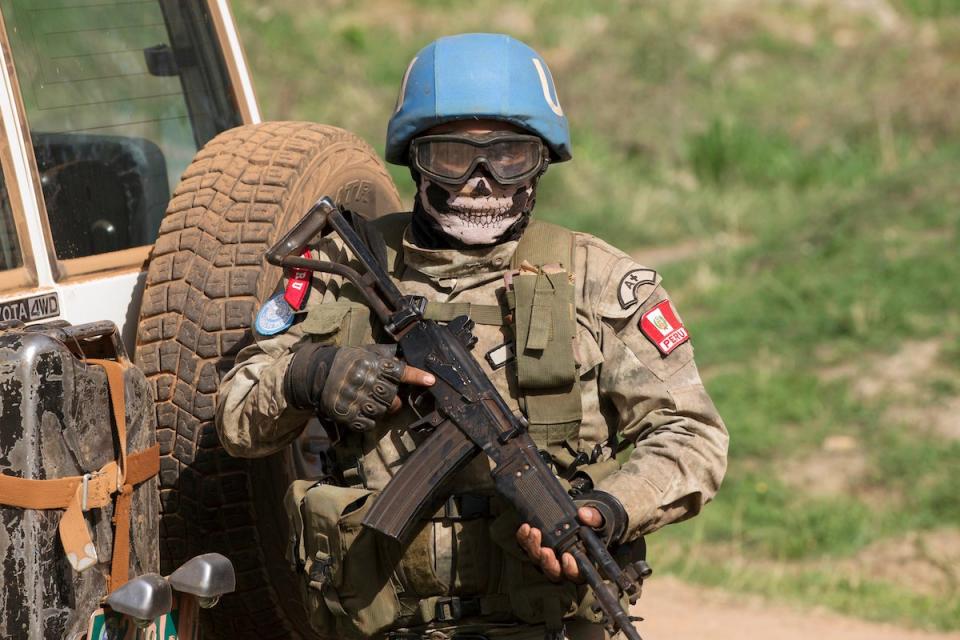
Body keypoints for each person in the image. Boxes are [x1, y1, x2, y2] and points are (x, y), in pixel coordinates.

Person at [216, 33, 728, 640]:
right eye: (453, 157)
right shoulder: (342, 272)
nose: (482, 181)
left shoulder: (597, 281)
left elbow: (691, 434)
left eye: (509, 156)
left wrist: (610, 509)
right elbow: (235, 414)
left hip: (549, 624)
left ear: (542, 161)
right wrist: (311, 376)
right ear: (414, 158)